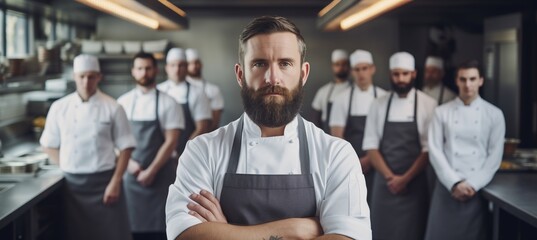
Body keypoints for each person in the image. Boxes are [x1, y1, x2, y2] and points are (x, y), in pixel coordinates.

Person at [165, 16, 371, 240]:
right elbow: (185, 235)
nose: (272, 78)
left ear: (303, 74)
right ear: (240, 75)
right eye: (259, 63)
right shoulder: (202, 151)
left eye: (284, 63)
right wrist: (296, 229)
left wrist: (225, 232)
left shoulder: (336, 154)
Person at [40, 54, 135, 240]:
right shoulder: (60, 107)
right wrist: (65, 163)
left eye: (91, 76)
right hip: (71, 186)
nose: (86, 82)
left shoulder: (113, 107)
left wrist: (115, 182)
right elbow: (47, 145)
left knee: (113, 235)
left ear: (99, 77)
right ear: (74, 77)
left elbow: (126, 147)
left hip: (105, 183)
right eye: (82, 76)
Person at [425, 60, 505, 240]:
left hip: (475, 190)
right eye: (463, 79)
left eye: (472, 79)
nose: (468, 84)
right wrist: (454, 183)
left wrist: (472, 184)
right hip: (446, 188)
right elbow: (435, 150)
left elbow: (494, 157)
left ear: (481, 80)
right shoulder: (441, 112)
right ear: (456, 81)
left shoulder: (494, 114)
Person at [363, 51, 437, 240]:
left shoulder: (428, 104)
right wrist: (391, 178)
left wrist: (405, 179)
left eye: (405, 74)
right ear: (390, 75)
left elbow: (428, 149)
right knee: (380, 231)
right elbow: (371, 146)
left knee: (413, 233)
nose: (401, 79)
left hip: (414, 184)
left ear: (413, 74)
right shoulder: (378, 104)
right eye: (396, 74)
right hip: (384, 184)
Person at [117, 52, 184, 240]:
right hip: (131, 177)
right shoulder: (122, 103)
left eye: (148, 68)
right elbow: (116, 141)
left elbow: (172, 141)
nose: (144, 72)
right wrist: (129, 164)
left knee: (163, 230)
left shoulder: (169, 103)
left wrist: (152, 171)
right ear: (133, 71)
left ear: (155, 70)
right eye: (139, 68)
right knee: (131, 230)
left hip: (160, 176)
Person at [329, 49, 387, 203]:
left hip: (380, 165)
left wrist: (370, 159)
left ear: (372, 69)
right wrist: (355, 161)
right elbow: (337, 136)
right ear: (351, 71)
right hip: (350, 165)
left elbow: (387, 135)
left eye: (365, 68)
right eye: (357, 69)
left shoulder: (384, 98)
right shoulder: (341, 99)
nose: (361, 74)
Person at [157, 48, 211, 157]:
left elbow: (202, 128)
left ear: (186, 67)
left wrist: (184, 152)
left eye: (181, 65)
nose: (176, 70)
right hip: (158, 153)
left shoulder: (198, 92)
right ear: (166, 68)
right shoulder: (158, 91)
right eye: (172, 65)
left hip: (187, 153)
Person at [311, 49, 351, 133]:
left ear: (348, 66)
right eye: (337, 64)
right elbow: (315, 120)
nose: (341, 67)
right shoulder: (323, 91)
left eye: (344, 64)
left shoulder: (354, 91)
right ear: (332, 66)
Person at [186, 48, 225, 131]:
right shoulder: (179, 90)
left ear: (201, 64)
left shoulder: (213, 90)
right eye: (190, 63)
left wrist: (201, 137)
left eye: (196, 62)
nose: (193, 66)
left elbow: (215, 123)